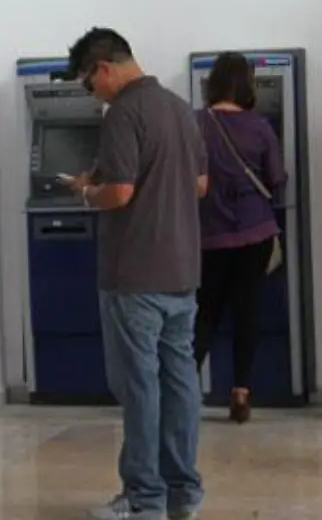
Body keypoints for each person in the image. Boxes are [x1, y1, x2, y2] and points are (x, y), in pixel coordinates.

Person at [63, 28, 207, 520]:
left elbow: (120, 193)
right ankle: (183, 493)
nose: (93, 94)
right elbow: (200, 184)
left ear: (103, 68)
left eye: (89, 83)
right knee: (180, 382)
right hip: (182, 269)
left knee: (140, 387)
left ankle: (145, 497)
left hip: (135, 273)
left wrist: (86, 193)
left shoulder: (124, 112)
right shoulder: (180, 108)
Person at [192, 52, 287, 424]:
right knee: (247, 312)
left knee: (206, 312)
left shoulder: (195, 123)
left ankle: (184, 389)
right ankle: (241, 392)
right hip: (255, 233)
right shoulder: (260, 127)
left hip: (209, 234)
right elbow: (276, 178)